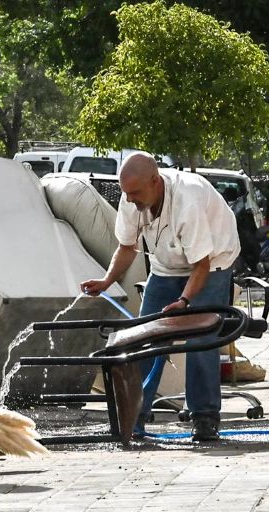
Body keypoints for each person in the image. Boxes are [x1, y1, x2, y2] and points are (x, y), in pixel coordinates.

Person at [81, 152, 240, 441]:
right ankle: (134, 417)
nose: (130, 200)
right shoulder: (132, 198)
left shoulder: (186, 200)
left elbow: (200, 265)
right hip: (166, 265)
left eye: (136, 193)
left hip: (213, 260)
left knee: (201, 336)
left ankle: (204, 417)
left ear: (155, 181)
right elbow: (127, 247)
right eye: (126, 193)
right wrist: (106, 281)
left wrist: (185, 302)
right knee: (143, 337)